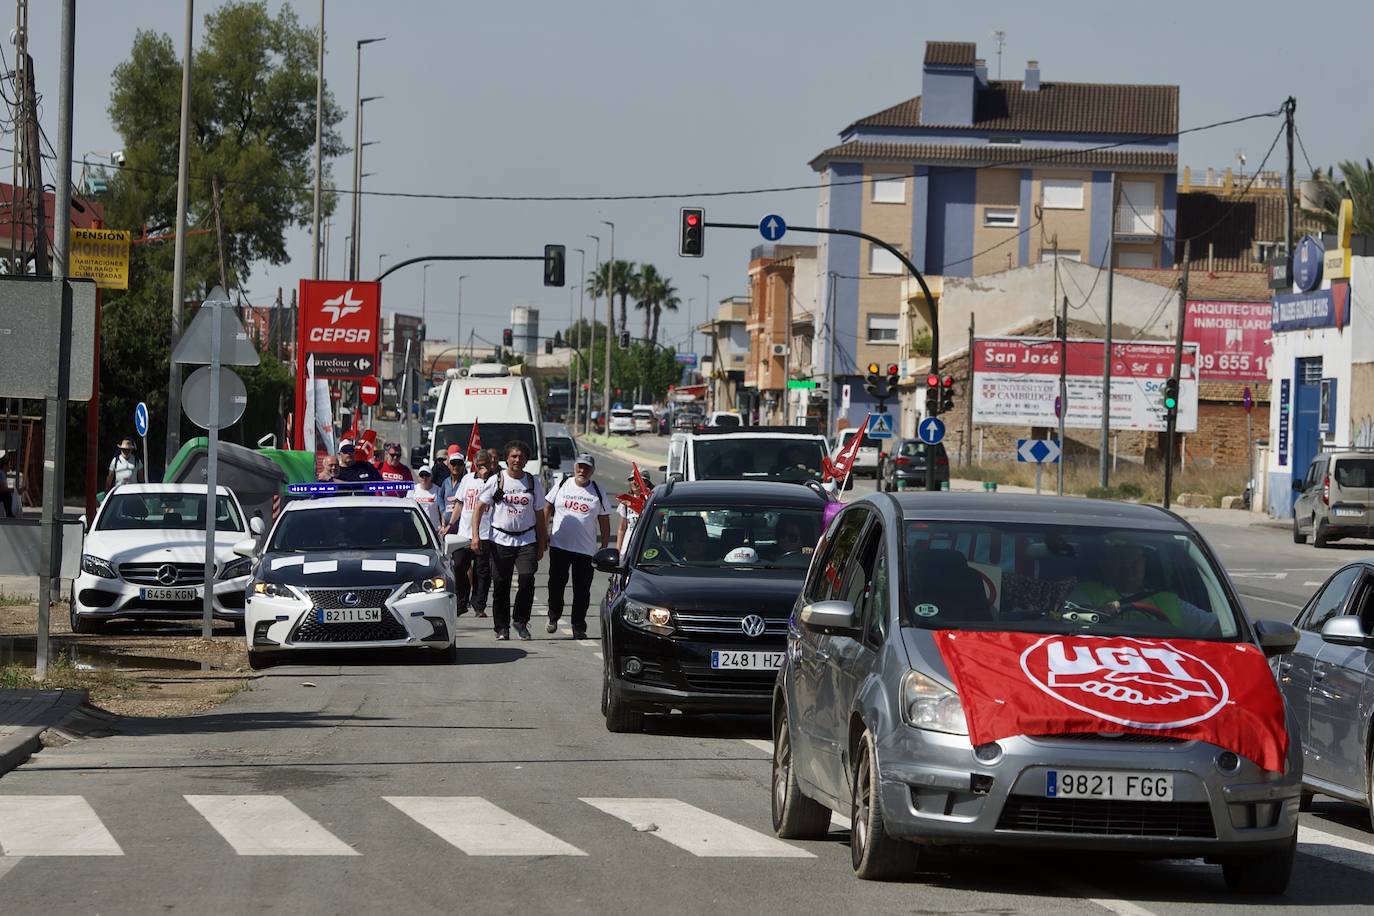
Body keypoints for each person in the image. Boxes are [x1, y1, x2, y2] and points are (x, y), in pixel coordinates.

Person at [472, 440, 547, 641]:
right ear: (507, 458)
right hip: (500, 540)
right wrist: (476, 536)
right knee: (501, 585)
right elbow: (479, 508)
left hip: (526, 540)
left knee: (526, 579)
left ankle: (521, 621)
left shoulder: (532, 482)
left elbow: (540, 515)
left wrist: (542, 542)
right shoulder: (496, 480)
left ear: (526, 460)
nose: (517, 460)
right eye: (513, 456)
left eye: (521, 456)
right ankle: (501, 627)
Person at [1067, 542, 1213, 631]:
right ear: (1105, 565)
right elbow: (1064, 620)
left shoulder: (1169, 602)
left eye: (1135, 561)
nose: (1129, 567)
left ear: (1144, 565)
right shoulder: (1083, 594)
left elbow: (1216, 628)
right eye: (1121, 560)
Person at [544, 453, 610, 639]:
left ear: (592, 471)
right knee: (556, 585)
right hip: (560, 546)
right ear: (575, 466)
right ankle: (553, 615)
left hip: (585, 550)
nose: (582, 470)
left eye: (587, 467)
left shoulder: (597, 490)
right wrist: (544, 534)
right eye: (580, 466)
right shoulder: (563, 484)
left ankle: (578, 626)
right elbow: (547, 507)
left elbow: (604, 520)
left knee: (582, 590)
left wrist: (604, 547)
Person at [449, 450, 495, 619]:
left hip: (485, 533)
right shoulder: (467, 479)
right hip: (464, 533)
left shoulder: (494, 480)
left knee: (482, 572)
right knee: (460, 566)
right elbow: (460, 504)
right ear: (475, 464)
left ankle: (479, 605)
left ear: (490, 464)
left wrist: (485, 478)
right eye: (479, 464)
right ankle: (461, 603)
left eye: (486, 464)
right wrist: (450, 524)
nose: (482, 467)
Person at [615, 471, 653, 555]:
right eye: (631, 480)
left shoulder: (651, 501)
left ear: (646, 483)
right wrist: (618, 550)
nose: (634, 482)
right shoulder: (625, 501)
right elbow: (622, 529)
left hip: (645, 549)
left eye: (637, 479)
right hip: (627, 549)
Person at [406, 467, 443, 531]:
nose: (424, 477)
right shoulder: (413, 489)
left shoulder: (438, 490)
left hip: (434, 528)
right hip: (416, 528)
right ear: (418, 477)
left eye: (427, 475)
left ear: (431, 477)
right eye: (421, 475)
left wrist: (443, 526)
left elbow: (442, 510)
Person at [438, 445, 467, 526]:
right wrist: (443, 511)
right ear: (449, 465)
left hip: (461, 526)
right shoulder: (446, 482)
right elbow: (440, 496)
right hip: (446, 525)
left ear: (463, 466)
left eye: (459, 464)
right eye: (453, 463)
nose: (456, 466)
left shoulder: (466, 481)